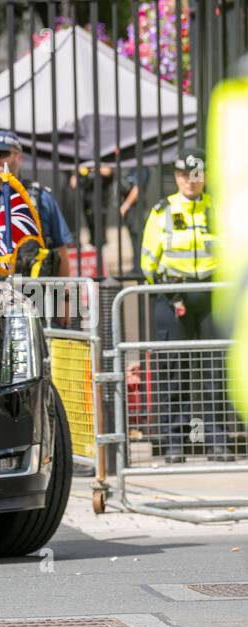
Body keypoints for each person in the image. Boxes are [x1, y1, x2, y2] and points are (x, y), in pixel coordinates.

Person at [139, 148, 230, 461]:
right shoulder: (162, 211)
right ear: (176, 178)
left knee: (214, 371)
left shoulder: (218, 209)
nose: (191, 181)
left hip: (211, 296)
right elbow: (148, 262)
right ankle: (175, 443)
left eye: (196, 174)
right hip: (173, 297)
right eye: (184, 175)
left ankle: (216, 440)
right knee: (173, 372)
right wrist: (166, 290)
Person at [0, 130, 73, 276]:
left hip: (36, 292)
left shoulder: (42, 197)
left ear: (19, 157)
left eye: (2, 154)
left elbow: (61, 249)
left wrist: (65, 296)